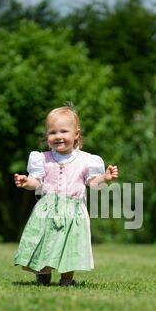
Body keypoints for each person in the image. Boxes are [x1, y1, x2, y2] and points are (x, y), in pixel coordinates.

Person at [14, 105, 118, 286]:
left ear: (76, 134)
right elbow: (36, 182)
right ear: (47, 136)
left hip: (73, 211)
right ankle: (43, 275)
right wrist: (26, 182)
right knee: (44, 241)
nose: (58, 136)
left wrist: (105, 178)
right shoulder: (42, 158)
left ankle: (67, 279)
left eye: (64, 131)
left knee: (70, 245)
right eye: (52, 132)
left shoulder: (87, 160)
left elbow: (93, 183)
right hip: (47, 209)